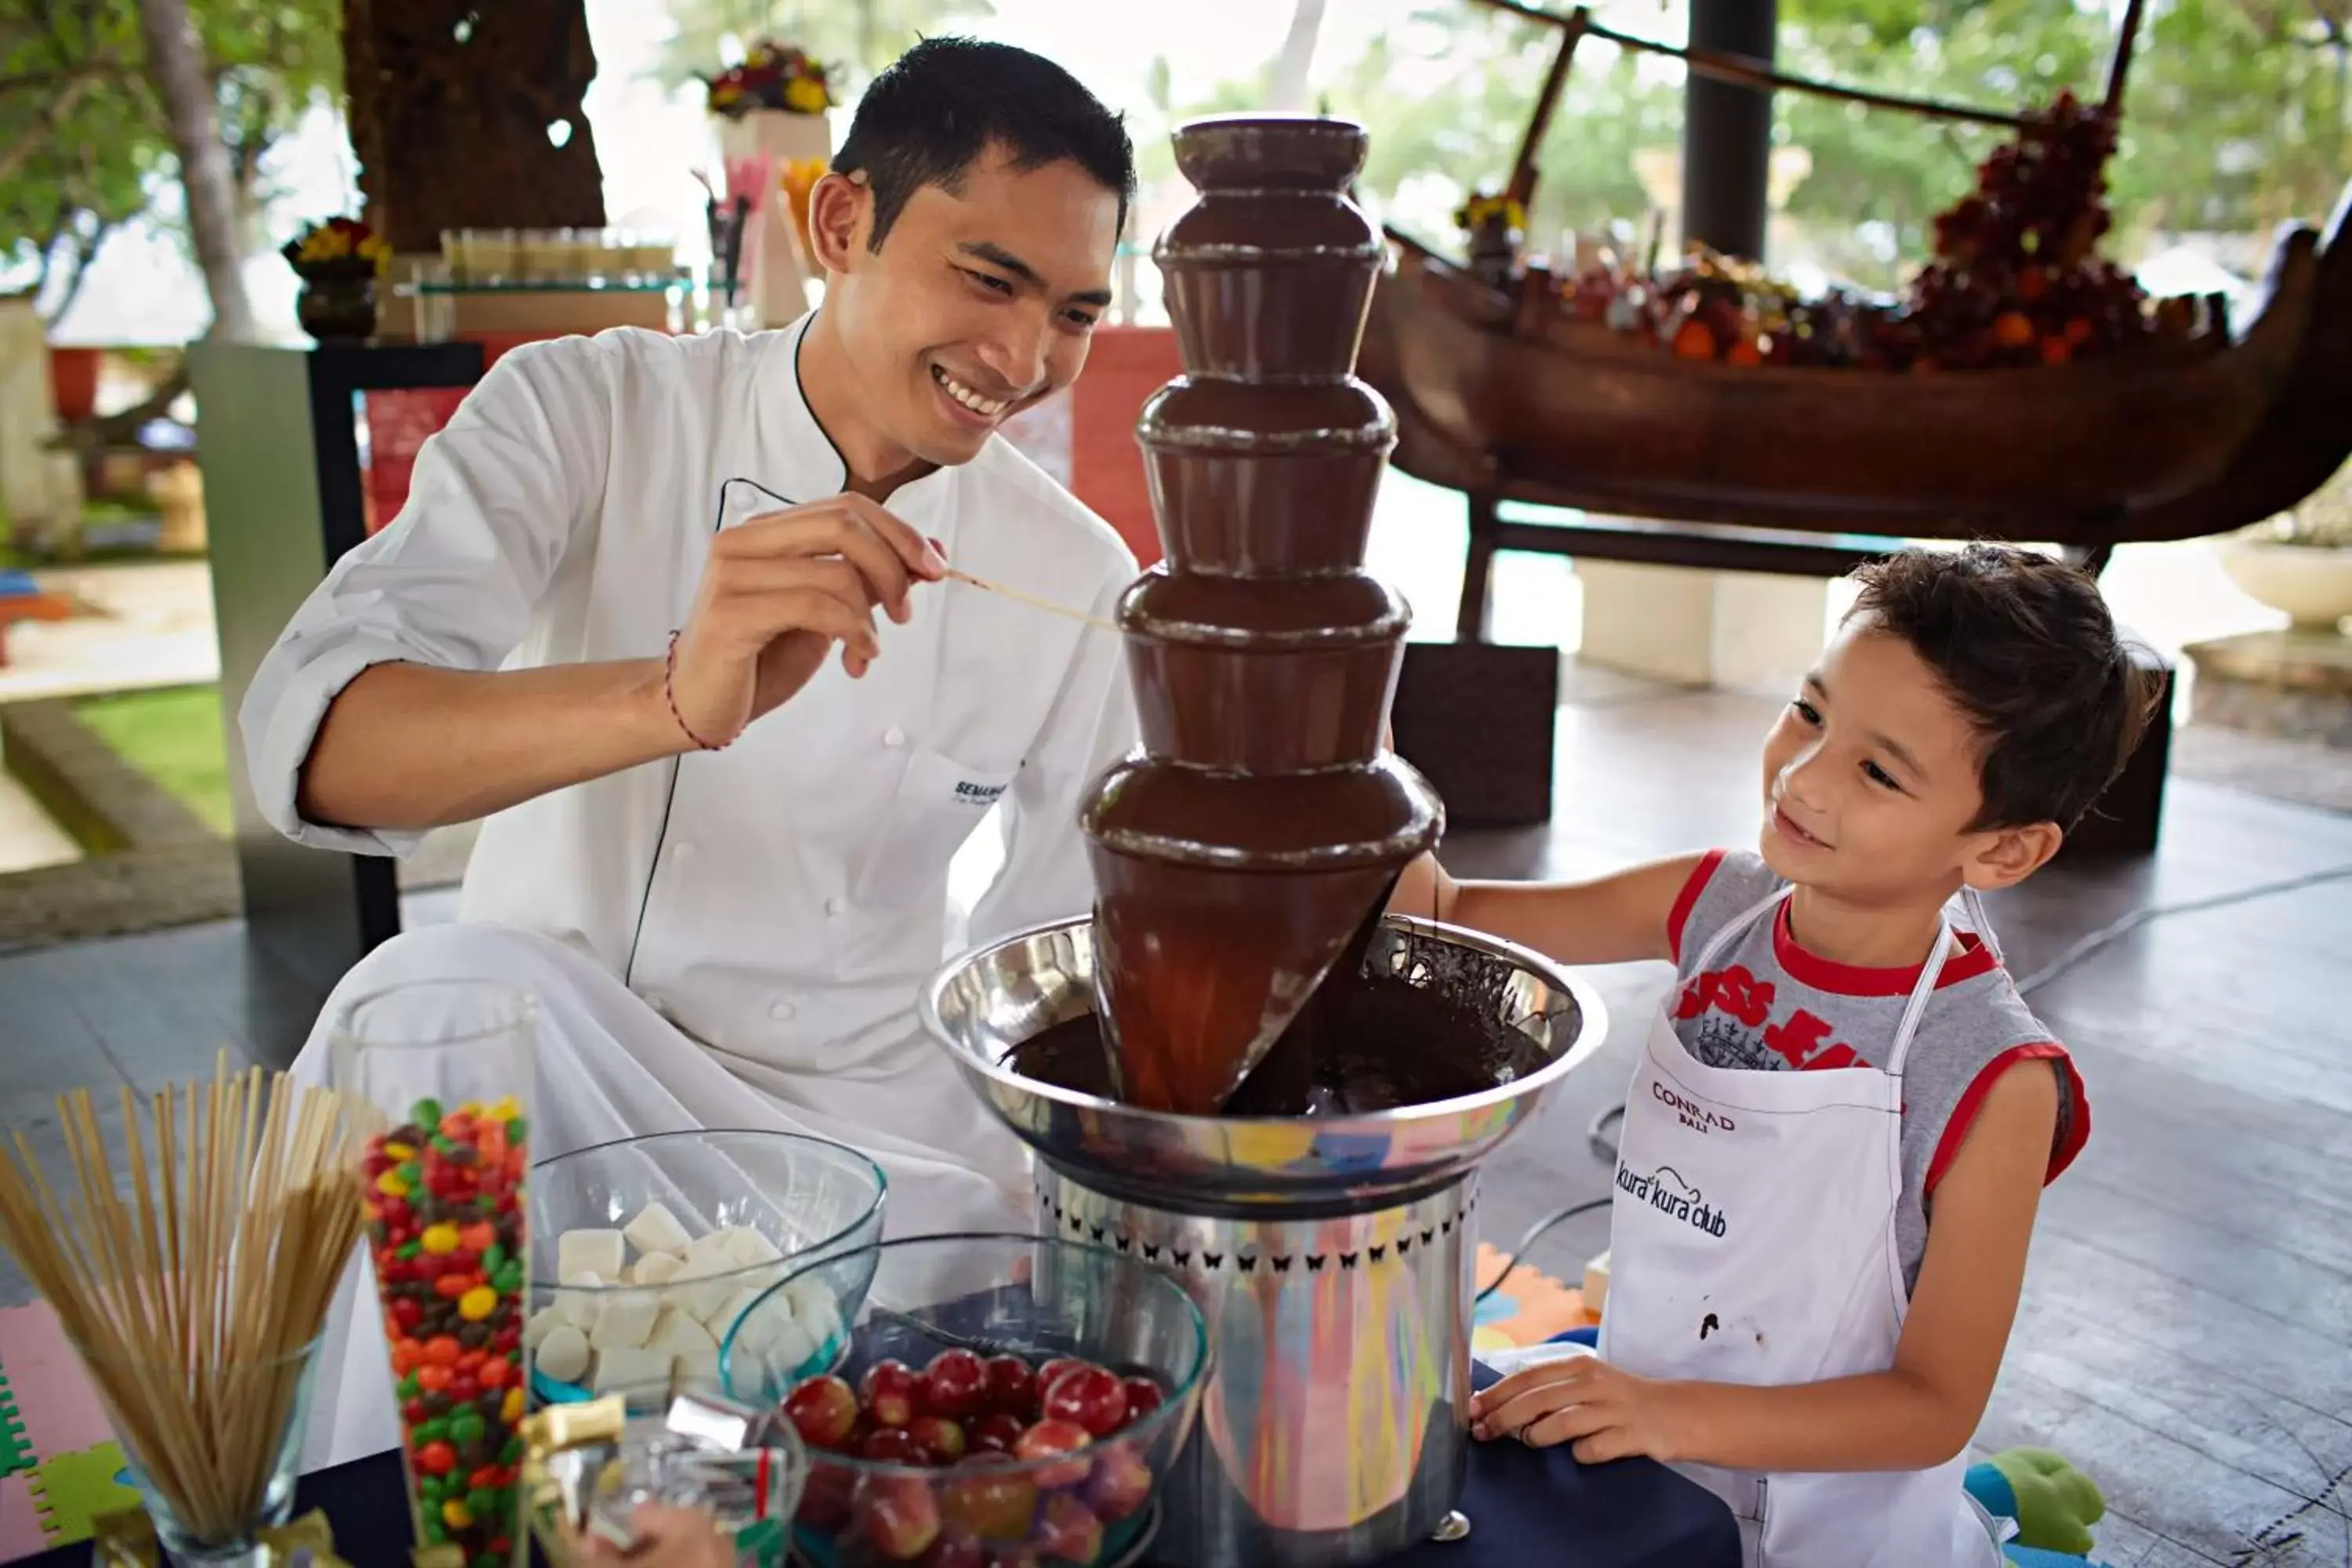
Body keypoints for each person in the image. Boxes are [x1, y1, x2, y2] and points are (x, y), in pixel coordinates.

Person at [245, 38, 1141, 1466]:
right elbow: (319, 746)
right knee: (424, 991)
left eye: (1076, 313)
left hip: (864, 1151)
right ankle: (383, 1503)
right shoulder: (591, 410)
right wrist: (674, 692)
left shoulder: (1075, 571)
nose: (1024, 363)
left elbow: (1058, 969)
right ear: (838, 224)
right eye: (988, 281)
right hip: (566, 1070)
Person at [1392, 545, 2157, 1567]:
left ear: (2003, 851)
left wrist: (1663, 1414)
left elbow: (1932, 1406)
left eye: (1877, 770)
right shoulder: (1715, 903)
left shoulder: (1993, 1075)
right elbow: (1444, 919)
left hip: (1821, 1526)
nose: (1803, 775)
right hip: (1629, 1423)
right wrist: (1355, 747)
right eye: (1809, 710)